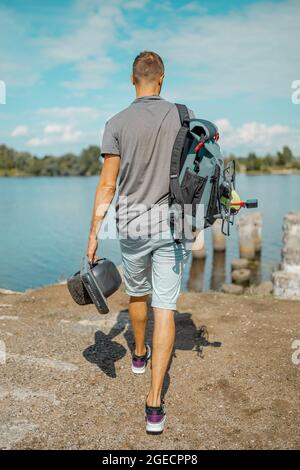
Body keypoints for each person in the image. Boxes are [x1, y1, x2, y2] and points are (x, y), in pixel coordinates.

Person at [87, 51, 195, 434]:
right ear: (161, 79)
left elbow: (107, 185)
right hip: (174, 224)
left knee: (137, 294)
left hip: (131, 224)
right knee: (165, 307)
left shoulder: (116, 123)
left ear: (133, 80)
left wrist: (93, 233)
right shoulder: (183, 116)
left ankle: (138, 353)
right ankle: (154, 405)